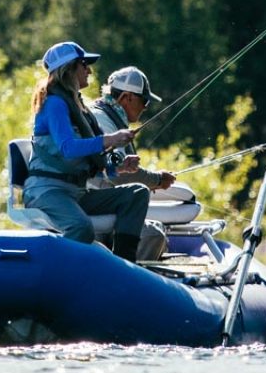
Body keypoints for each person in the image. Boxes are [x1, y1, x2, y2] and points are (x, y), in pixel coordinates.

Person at [25, 41, 153, 261]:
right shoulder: (55, 103)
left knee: (137, 194)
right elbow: (68, 148)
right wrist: (110, 139)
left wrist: (120, 166)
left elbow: (93, 156)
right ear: (70, 68)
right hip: (47, 191)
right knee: (81, 228)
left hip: (75, 191)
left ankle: (124, 265)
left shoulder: (78, 106)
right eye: (85, 65)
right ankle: (60, 277)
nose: (90, 70)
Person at [88, 66, 177, 192]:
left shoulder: (105, 115)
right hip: (93, 198)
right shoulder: (102, 120)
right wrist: (158, 179)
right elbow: (118, 173)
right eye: (144, 101)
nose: (145, 107)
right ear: (127, 97)